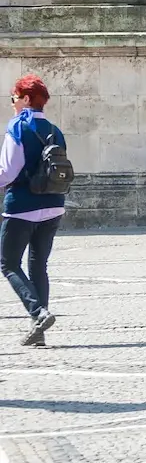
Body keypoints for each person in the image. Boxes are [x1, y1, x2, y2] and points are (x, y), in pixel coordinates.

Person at [2, 75, 65, 347]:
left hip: (22, 207)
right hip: (53, 206)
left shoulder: (17, 126)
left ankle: (38, 313)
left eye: (14, 97)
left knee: (7, 263)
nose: (12, 103)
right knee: (39, 265)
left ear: (26, 99)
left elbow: (8, 171)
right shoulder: (55, 129)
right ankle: (38, 330)